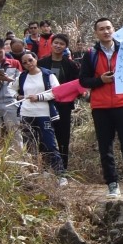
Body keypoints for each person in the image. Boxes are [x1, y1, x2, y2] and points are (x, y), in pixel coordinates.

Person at [79, 17, 123, 198]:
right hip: (101, 106)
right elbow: (83, 80)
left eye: (108, 28)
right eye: (101, 29)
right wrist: (100, 80)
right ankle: (112, 184)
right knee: (105, 147)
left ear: (114, 30)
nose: (106, 31)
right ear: (96, 33)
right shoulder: (91, 54)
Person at [16, 48, 64, 180]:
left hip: (44, 113)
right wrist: (17, 96)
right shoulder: (22, 76)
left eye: (30, 60)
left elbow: (57, 91)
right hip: (26, 113)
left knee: (49, 143)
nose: (28, 64)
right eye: (25, 62)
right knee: (29, 144)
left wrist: (39, 98)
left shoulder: (48, 75)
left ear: (36, 60)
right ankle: (36, 173)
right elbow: (11, 89)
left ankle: (60, 175)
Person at [43, 34, 81, 168]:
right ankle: (47, 167)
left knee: (63, 136)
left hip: (64, 106)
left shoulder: (70, 65)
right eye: (56, 43)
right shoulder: (42, 63)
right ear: (51, 44)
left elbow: (76, 84)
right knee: (46, 135)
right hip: (45, 105)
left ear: (66, 47)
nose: (58, 46)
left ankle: (63, 168)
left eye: (62, 44)